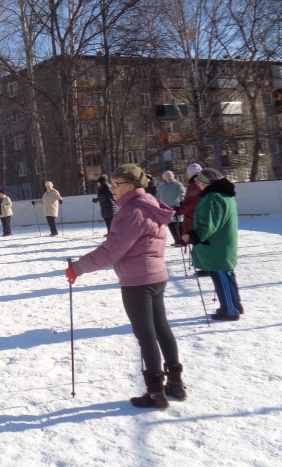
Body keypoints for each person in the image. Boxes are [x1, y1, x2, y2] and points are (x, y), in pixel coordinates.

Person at [66, 164, 186, 409]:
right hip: (155, 276)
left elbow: (111, 251)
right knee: (161, 328)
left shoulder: (132, 211)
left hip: (138, 281)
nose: (112, 189)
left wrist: (77, 267)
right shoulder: (149, 204)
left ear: (131, 186)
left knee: (147, 335)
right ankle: (175, 383)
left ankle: (155, 393)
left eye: (116, 185)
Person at [182, 168, 243, 320]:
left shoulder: (212, 197)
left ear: (206, 184)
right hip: (223, 243)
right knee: (227, 275)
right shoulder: (225, 195)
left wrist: (192, 236)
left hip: (216, 246)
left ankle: (230, 310)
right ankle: (234, 305)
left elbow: (208, 224)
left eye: (200, 183)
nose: (199, 186)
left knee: (221, 276)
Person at [157, 170, 186, 246]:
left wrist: (182, 197)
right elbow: (158, 196)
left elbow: (182, 192)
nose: (170, 177)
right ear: (164, 178)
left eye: (171, 175)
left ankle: (182, 241)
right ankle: (176, 241)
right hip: (166, 208)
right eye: (168, 176)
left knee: (178, 224)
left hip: (176, 207)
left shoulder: (177, 184)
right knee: (171, 225)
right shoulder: (162, 186)